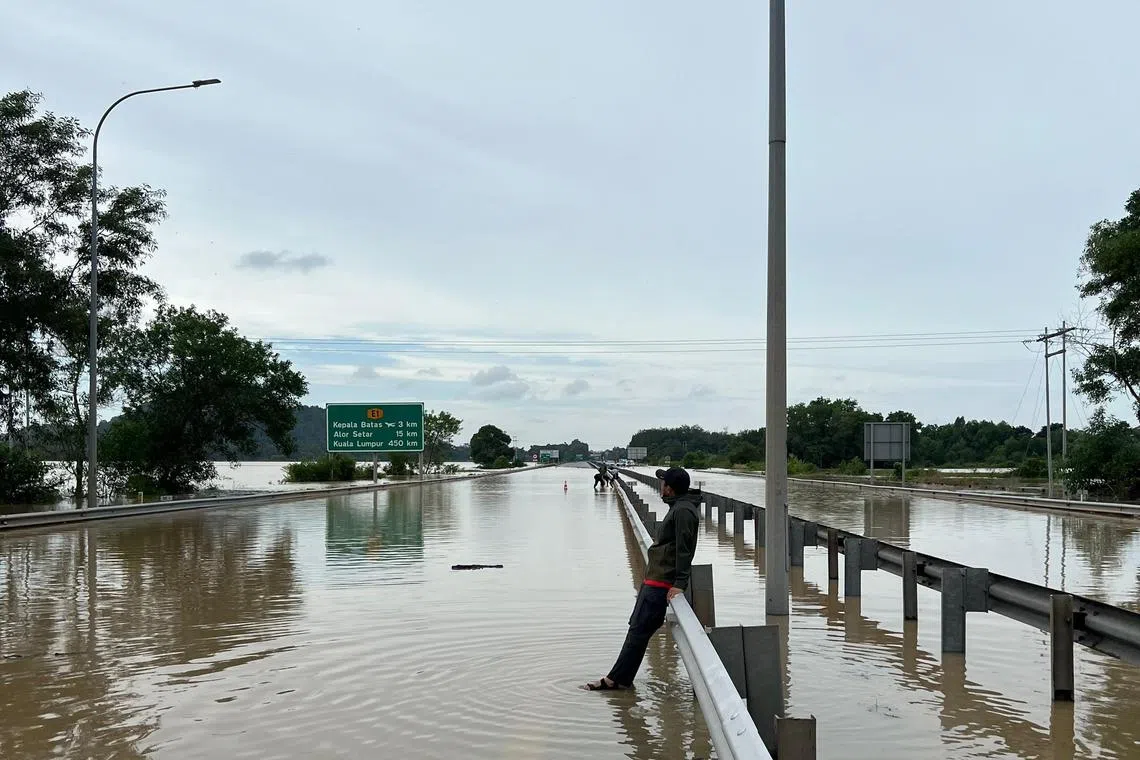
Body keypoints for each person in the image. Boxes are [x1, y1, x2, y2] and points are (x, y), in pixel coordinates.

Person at [582, 466, 701, 690]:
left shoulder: (683, 511)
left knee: (638, 630)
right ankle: (620, 679)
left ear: (670, 488)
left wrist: (679, 584)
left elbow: (684, 550)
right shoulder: (679, 507)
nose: (661, 487)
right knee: (638, 629)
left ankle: (616, 680)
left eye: (663, 483)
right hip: (656, 578)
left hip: (661, 581)